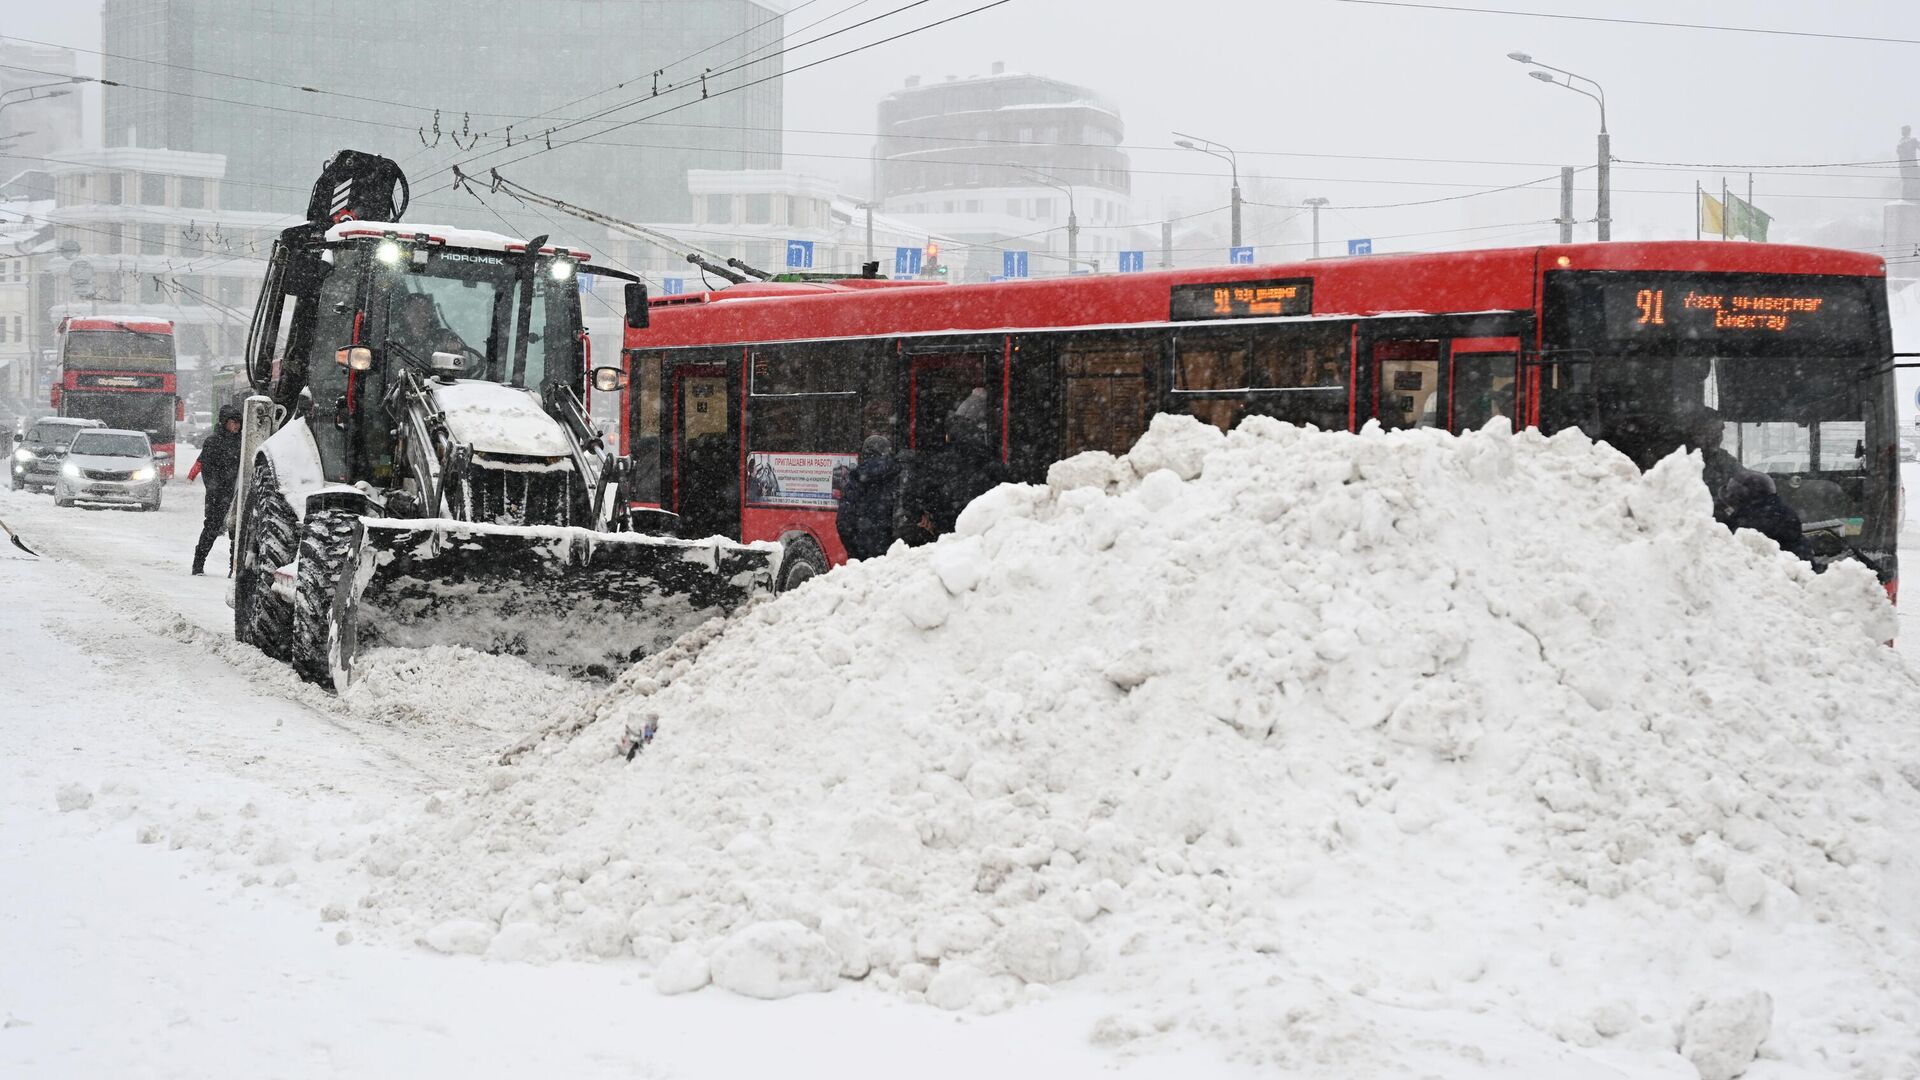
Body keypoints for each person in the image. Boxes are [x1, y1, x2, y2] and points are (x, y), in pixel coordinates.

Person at [900, 388, 1007, 545]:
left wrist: (920, 517)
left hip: (945, 533)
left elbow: (911, 495)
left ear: (948, 436)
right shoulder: (989, 462)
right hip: (982, 536)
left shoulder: (937, 463)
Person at [190, 405, 244, 575]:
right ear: (224, 422)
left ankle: (233, 570)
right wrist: (216, 489)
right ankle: (198, 564)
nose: (236, 426)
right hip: (217, 496)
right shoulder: (213, 442)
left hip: (236, 494)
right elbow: (207, 470)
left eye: (238, 423)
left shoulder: (243, 442)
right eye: (233, 422)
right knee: (211, 529)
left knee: (236, 532)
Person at [1720, 468, 1812, 561]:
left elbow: (1731, 547)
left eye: (1734, 493)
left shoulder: (1751, 521)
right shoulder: (1777, 509)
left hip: (1779, 568)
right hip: (1800, 561)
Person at [835, 434, 902, 560]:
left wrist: (856, 552)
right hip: (892, 555)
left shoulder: (855, 479)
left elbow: (843, 523)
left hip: (863, 555)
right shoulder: (897, 474)